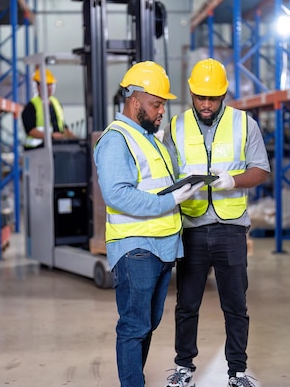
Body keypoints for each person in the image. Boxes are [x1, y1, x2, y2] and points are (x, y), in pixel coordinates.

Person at [93, 61, 204, 387]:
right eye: (156, 104)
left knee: (149, 322)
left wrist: (183, 188)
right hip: (135, 248)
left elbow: (154, 184)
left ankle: (134, 379)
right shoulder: (117, 139)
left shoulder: (150, 139)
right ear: (134, 100)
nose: (160, 112)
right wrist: (170, 200)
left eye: (163, 105)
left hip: (161, 246)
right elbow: (117, 196)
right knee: (134, 326)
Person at [163, 58, 270, 387]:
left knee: (236, 304)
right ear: (191, 93)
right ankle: (184, 368)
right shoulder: (176, 126)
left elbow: (261, 170)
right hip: (193, 229)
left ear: (223, 94)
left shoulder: (244, 123)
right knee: (187, 304)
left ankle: (237, 371)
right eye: (200, 97)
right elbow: (167, 174)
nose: (206, 104)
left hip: (231, 229)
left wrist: (233, 181)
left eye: (213, 98)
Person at [22, 67, 75, 149]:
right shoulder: (31, 106)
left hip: (55, 147)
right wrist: (51, 136)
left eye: (51, 84)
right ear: (38, 86)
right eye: (47, 85)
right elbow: (30, 130)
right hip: (36, 150)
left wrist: (70, 135)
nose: (50, 87)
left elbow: (61, 124)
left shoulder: (56, 102)